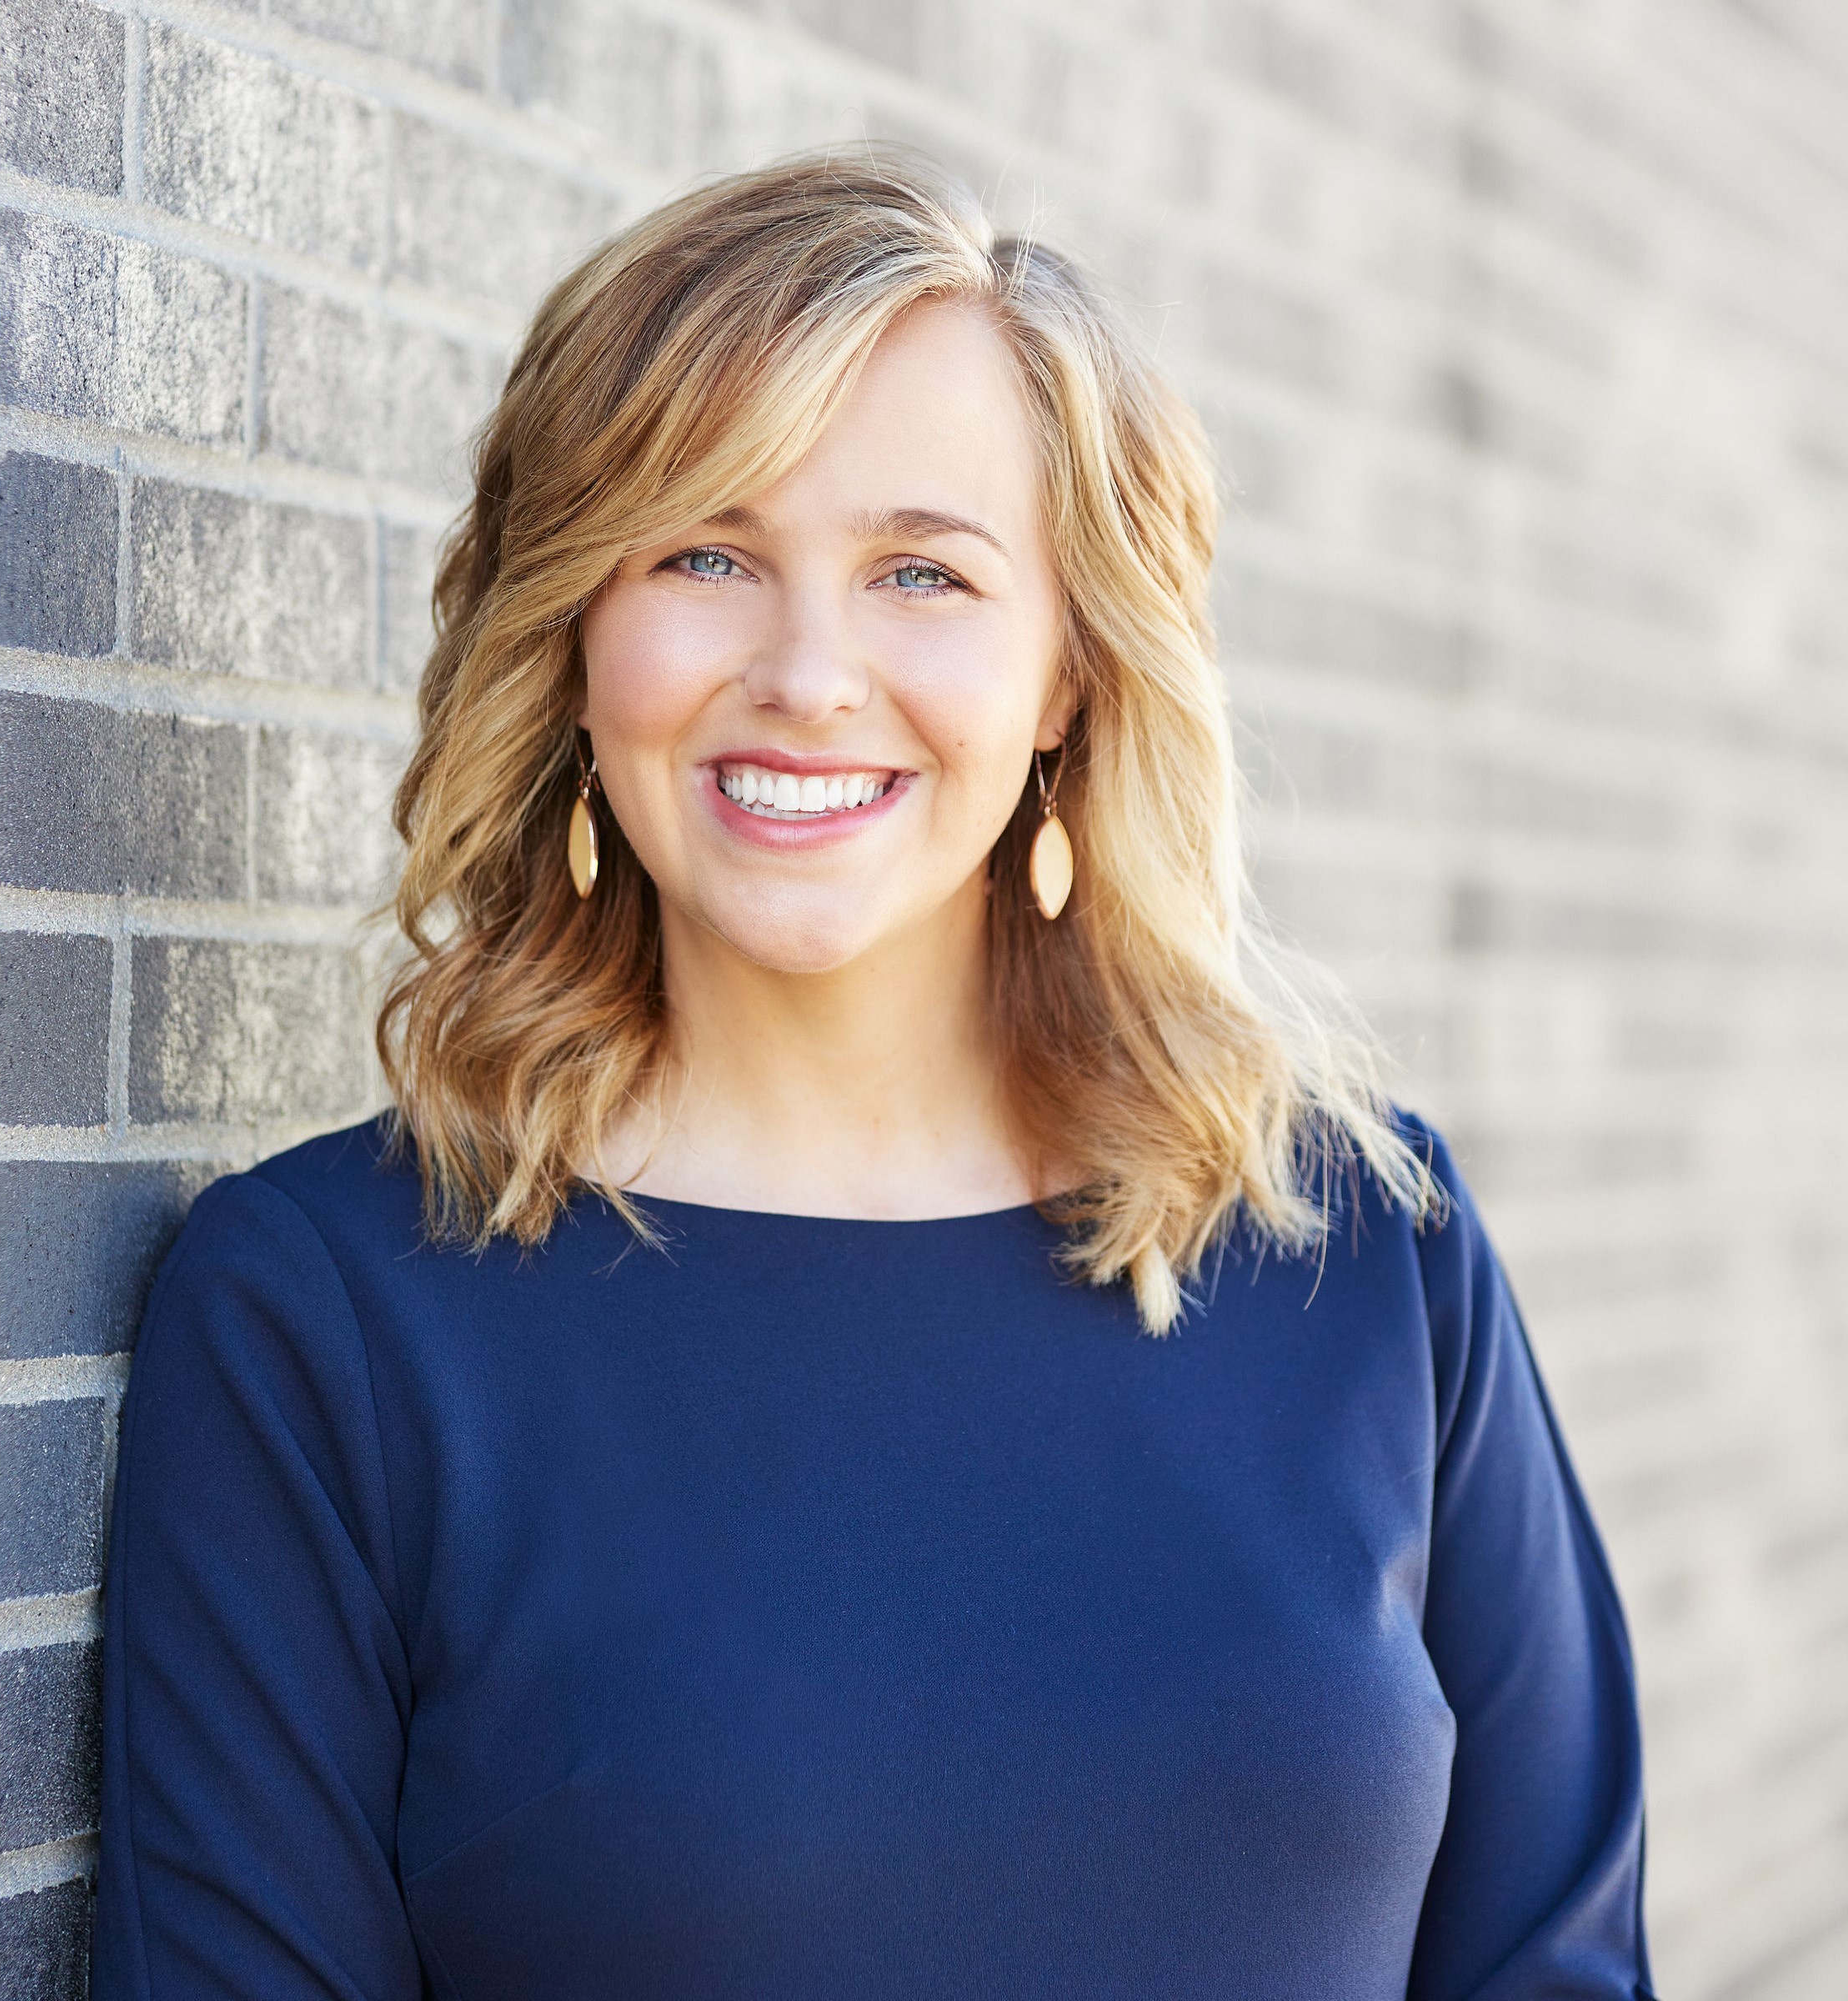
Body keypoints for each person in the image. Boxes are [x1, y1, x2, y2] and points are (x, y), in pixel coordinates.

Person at [93, 149, 1655, 1999]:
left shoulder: (1363, 1253)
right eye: (706, 553)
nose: (810, 672)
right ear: (580, 638)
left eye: (923, 570)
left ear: (1070, 669)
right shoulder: (326, 1321)